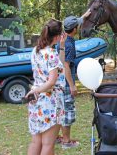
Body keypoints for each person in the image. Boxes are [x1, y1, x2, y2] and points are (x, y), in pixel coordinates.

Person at [25, 19, 67, 155]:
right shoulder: (50, 54)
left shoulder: (36, 51)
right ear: (56, 36)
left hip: (36, 101)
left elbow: (58, 64)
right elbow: (52, 81)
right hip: (51, 102)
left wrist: (62, 45)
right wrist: (37, 90)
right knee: (48, 144)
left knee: (36, 142)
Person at [56, 10, 91, 149]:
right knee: (67, 111)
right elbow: (66, 67)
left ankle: (57, 137)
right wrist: (72, 86)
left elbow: (77, 21)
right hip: (65, 83)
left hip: (58, 82)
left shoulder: (62, 39)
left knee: (59, 110)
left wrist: (86, 14)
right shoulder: (69, 45)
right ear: (75, 30)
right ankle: (66, 141)